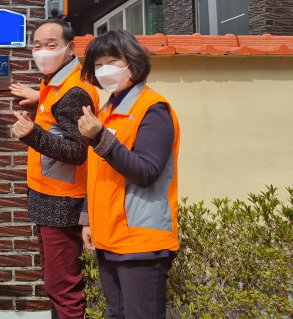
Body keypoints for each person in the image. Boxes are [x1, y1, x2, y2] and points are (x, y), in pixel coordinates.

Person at [77, 30, 180, 319]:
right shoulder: (107, 110)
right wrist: (88, 219)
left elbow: (146, 172)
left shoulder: (153, 109)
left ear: (133, 62)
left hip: (140, 239)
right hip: (108, 236)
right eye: (98, 65)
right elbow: (99, 172)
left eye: (112, 61)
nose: (104, 70)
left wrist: (100, 138)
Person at [10, 18, 99, 319]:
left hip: (61, 201)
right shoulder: (55, 82)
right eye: (37, 46)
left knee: (63, 288)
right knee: (55, 283)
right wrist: (40, 99)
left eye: (52, 45)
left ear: (70, 48)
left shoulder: (72, 92)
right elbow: (60, 119)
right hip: (49, 195)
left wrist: (31, 134)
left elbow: (78, 152)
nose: (43, 51)